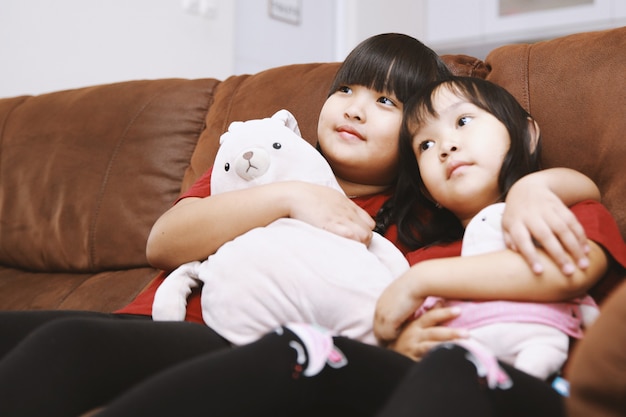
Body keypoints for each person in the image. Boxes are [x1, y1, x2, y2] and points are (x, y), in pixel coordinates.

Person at [0, 35, 599, 416]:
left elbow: (388, 317)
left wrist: (542, 185)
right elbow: (162, 241)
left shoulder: (413, 227)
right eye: (347, 90)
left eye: (388, 104)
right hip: (144, 317)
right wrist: (289, 197)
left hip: (230, 334)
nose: (357, 108)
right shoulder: (267, 156)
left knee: (65, 346)